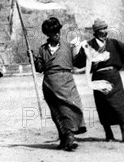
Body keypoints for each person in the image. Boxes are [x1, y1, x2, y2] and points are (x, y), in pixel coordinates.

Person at [76, 19, 124, 142]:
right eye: (101, 29)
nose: (104, 31)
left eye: (105, 28)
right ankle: (108, 133)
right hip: (98, 78)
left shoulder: (114, 43)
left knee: (120, 103)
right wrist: (79, 49)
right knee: (103, 106)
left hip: (113, 76)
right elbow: (78, 63)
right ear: (95, 31)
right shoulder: (89, 45)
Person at [32, 17, 87, 151]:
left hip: (67, 81)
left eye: (58, 31)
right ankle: (66, 138)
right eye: (53, 33)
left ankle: (69, 136)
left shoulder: (68, 46)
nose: (57, 34)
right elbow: (39, 68)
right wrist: (32, 58)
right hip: (50, 83)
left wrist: (84, 52)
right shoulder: (42, 49)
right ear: (48, 34)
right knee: (56, 112)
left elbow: (78, 63)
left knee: (70, 108)